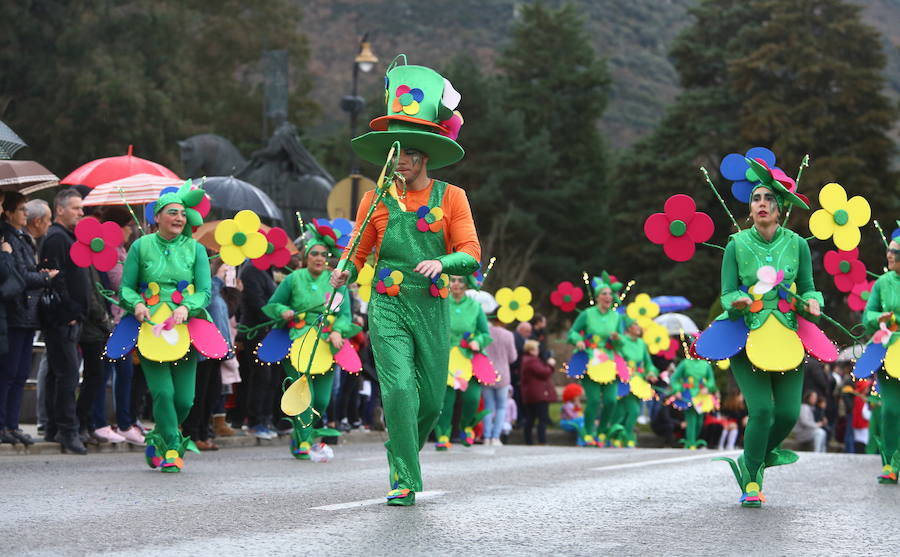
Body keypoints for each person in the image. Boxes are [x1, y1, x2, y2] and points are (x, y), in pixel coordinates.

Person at [331, 58, 479, 505]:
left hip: (432, 306)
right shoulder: (375, 200)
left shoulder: (451, 196)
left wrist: (444, 263)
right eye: (396, 152)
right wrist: (346, 270)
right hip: (388, 303)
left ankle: (400, 445)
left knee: (431, 402)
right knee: (397, 388)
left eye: (411, 152)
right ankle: (404, 478)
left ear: (425, 155)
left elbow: (472, 255)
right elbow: (356, 251)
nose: (403, 160)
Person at [695, 158, 827, 507]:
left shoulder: (797, 244)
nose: (762, 203)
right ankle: (752, 479)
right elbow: (726, 292)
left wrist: (812, 303)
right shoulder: (736, 245)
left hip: (787, 336)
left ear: (781, 207)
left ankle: (752, 457)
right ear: (750, 207)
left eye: (769, 198)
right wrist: (737, 300)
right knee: (763, 412)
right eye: (756, 198)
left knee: (786, 414)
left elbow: (810, 288)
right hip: (747, 335)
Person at [112, 181, 223, 472]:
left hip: (186, 327)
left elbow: (205, 291)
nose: (179, 218)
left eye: (183, 214)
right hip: (150, 327)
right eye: (172, 212)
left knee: (185, 400)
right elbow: (126, 288)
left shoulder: (196, 250)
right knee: (163, 393)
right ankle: (172, 449)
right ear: (157, 216)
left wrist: (187, 307)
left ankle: (157, 437)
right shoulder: (140, 246)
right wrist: (136, 304)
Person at [262, 222, 356, 459]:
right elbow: (273, 304)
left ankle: (301, 433)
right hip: (296, 342)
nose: (319, 258)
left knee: (322, 400)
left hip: (326, 345)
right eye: (314, 253)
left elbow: (345, 315)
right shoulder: (293, 279)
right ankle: (304, 442)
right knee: (304, 395)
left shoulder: (336, 282)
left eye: (324, 254)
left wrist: (339, 331)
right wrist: (282, 311)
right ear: (305, 256)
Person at [0, 192, 56, 445]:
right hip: (14, 314)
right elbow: (19, 276)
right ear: (9, 212)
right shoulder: (7, 237)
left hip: (25, 314)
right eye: (21, 209)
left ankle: (12, 425)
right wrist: (44, 279)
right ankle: (4, 425)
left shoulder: (22, 238)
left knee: (21, 373)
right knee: (9, 373)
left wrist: (38, 275)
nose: (26, 213)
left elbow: (24, 273)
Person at [39, 188, 88, 455]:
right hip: (61, 319)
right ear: (59, 209)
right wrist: (68, 313)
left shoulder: (69, 237)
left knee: (60, 374)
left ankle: (54, 428)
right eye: (76, 208)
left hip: (70, 318)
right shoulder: (57, 238)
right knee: (67, 374)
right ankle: (67, 430)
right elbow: (53, 278)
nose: (81, 212)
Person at [91, 206, 144, 445]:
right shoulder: (109, 250)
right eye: (128, 227)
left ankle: (124, 422)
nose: (131, 231)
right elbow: (119, 282)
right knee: (106, 374)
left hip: (124, 321)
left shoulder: (122, 249)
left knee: (125, 373)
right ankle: (100, 421)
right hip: (112, 321)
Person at [853, 233, 900, 483]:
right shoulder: (882, 283)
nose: (890, 255)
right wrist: (877, 319)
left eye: (896, 252)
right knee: (891, 410)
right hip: (887, 350)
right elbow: (867, 315)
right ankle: (891, 464)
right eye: (889, 251)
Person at [432, 274, 492, 450]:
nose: (456, 284)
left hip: (469, 358)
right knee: (446, 400)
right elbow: (433, 329)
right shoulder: (441, 304)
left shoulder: (475, 306)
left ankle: (467, 428)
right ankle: (443, 435)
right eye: (453, 280)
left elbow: (485, 333)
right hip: (447, 358)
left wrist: (478, 341)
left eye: (460, 281)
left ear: (466, 284)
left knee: (472, 398)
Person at [566, 271, 624, 447]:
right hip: (590, 361)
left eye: (610, 294)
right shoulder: (587, 314)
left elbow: (622, 343)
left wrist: (617, 339)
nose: (608, 296)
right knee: (593, 400)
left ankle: (602, 431)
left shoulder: (616, 317)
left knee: (611, 400)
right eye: (604, 294)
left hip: (609, 362)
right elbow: (572, 332)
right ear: (598, 297)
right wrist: (578, 341)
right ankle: (589, 432)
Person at [238, 255, 278, 439]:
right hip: (256, 331)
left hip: (268, 331)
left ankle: (263, 418)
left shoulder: (265, 269)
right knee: (261, 376)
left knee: (268, 377)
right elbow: (257, 303)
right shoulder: (251, 269)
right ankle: (254, 421)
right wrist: (278, 316)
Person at [609, 318, 658, 448]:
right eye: (635, 324)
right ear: (629, 327)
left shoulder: (642, 344)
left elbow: (649, 364)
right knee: (628, 411)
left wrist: (651, 372)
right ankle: (623, 436)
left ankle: (621, 435)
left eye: (638, 324)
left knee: (630, 411)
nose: (638, 327)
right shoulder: (622, 340)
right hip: (623, 380)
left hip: (638, 382)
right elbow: (615, 353)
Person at [669, 344, 717, 449]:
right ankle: (691, 443)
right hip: (688, 394)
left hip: (701, 397)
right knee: (691, 419)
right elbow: (675, 378)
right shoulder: (685, 363)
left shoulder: (705, 365)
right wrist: (677, 390)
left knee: (699, 421)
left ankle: (693, 440)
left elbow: (711, 381)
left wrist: (707, 387)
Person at [483, 312, 517, 446]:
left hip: (487, 372)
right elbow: (513, 357)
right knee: (501, 406)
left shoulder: (486, 332)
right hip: (503, 374)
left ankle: (486, 436)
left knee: (488, 407)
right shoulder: (508, 335)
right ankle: (496, 437)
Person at [520, 339, 557, 445]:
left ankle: (529, 441)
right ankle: (542, 440)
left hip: (531, 394)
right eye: (536, 349)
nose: (538, 351)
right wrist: (550, 365)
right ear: (531, 350)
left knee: (530, 418)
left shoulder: (526, 360)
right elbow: (544, 372)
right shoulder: (532, 360)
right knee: (542, 418)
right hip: (538, 394)